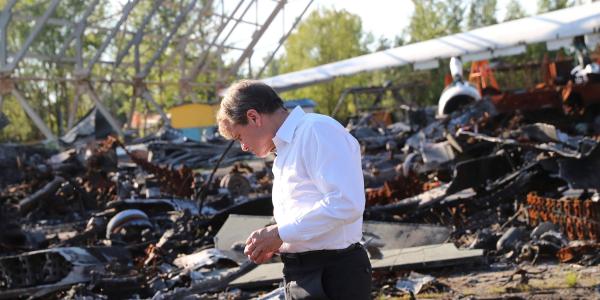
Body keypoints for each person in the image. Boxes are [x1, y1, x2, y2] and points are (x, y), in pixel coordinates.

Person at [216, 80, 371, 300]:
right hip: (305, 273)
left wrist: (280, 234)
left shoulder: (316, 130)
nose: (244, 146)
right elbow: (307, 206)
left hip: (332, 276)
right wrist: (280, 240)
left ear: (253, 117)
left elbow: (346, 203)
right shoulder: (286, 148)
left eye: (240, 136)